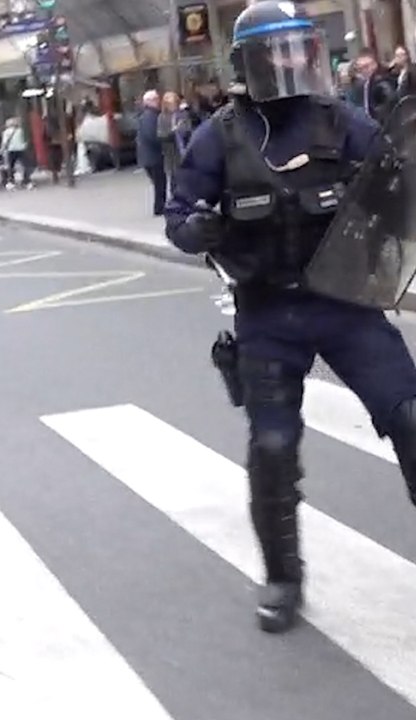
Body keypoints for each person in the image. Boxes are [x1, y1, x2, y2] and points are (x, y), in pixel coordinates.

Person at [164, 0, 416, 634]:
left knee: (412, 416)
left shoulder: (342, 121)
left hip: (344, 303)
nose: (288, 61)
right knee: (272, 446)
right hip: (268, 311)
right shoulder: (217, 136)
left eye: (296, 48)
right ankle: (283, 576)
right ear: (251, 62)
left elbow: (397, 182)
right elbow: (178, 216)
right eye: (274, 51)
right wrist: (197, 228)